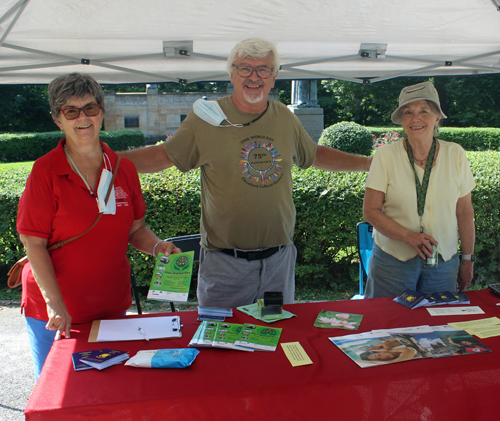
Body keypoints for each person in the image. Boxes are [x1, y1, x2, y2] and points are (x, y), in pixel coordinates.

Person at [118, 38, 371, 309]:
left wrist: (369, 164)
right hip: (225, 266)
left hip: (278, 263)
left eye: (263, 69)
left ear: (274, 77)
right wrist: (105, 162)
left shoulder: (284, 117)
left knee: (277, 341)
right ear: (232, 74)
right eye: (245, 68)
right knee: (219, 345)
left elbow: (315, 154)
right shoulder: (206, 119)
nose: (254, 77)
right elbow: (162, 156)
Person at [16, 73, 181, 381]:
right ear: (58, 120)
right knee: (59, 393)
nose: (83, 118)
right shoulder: (45, 172)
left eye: (90, 108)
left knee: (109, 390)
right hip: (56, 310)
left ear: (102, 112)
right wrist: (56, 305)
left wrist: (159, 247)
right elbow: (33, 243)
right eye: (71, 111)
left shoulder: (123, 168)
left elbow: (135, 229)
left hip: (109, 304)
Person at [363, 81, 475, 299]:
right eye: (408, 112)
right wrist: (408, 236)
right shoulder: (385, 156)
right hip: (392, 261)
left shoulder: (456, 154)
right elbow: (370, 211)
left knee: (441, 326)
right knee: (388, 324)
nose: (415, 119)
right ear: (402, 121)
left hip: (442, 262)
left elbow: (465, 212)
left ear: (436, 118)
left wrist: (468, 259)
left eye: (424, 111)